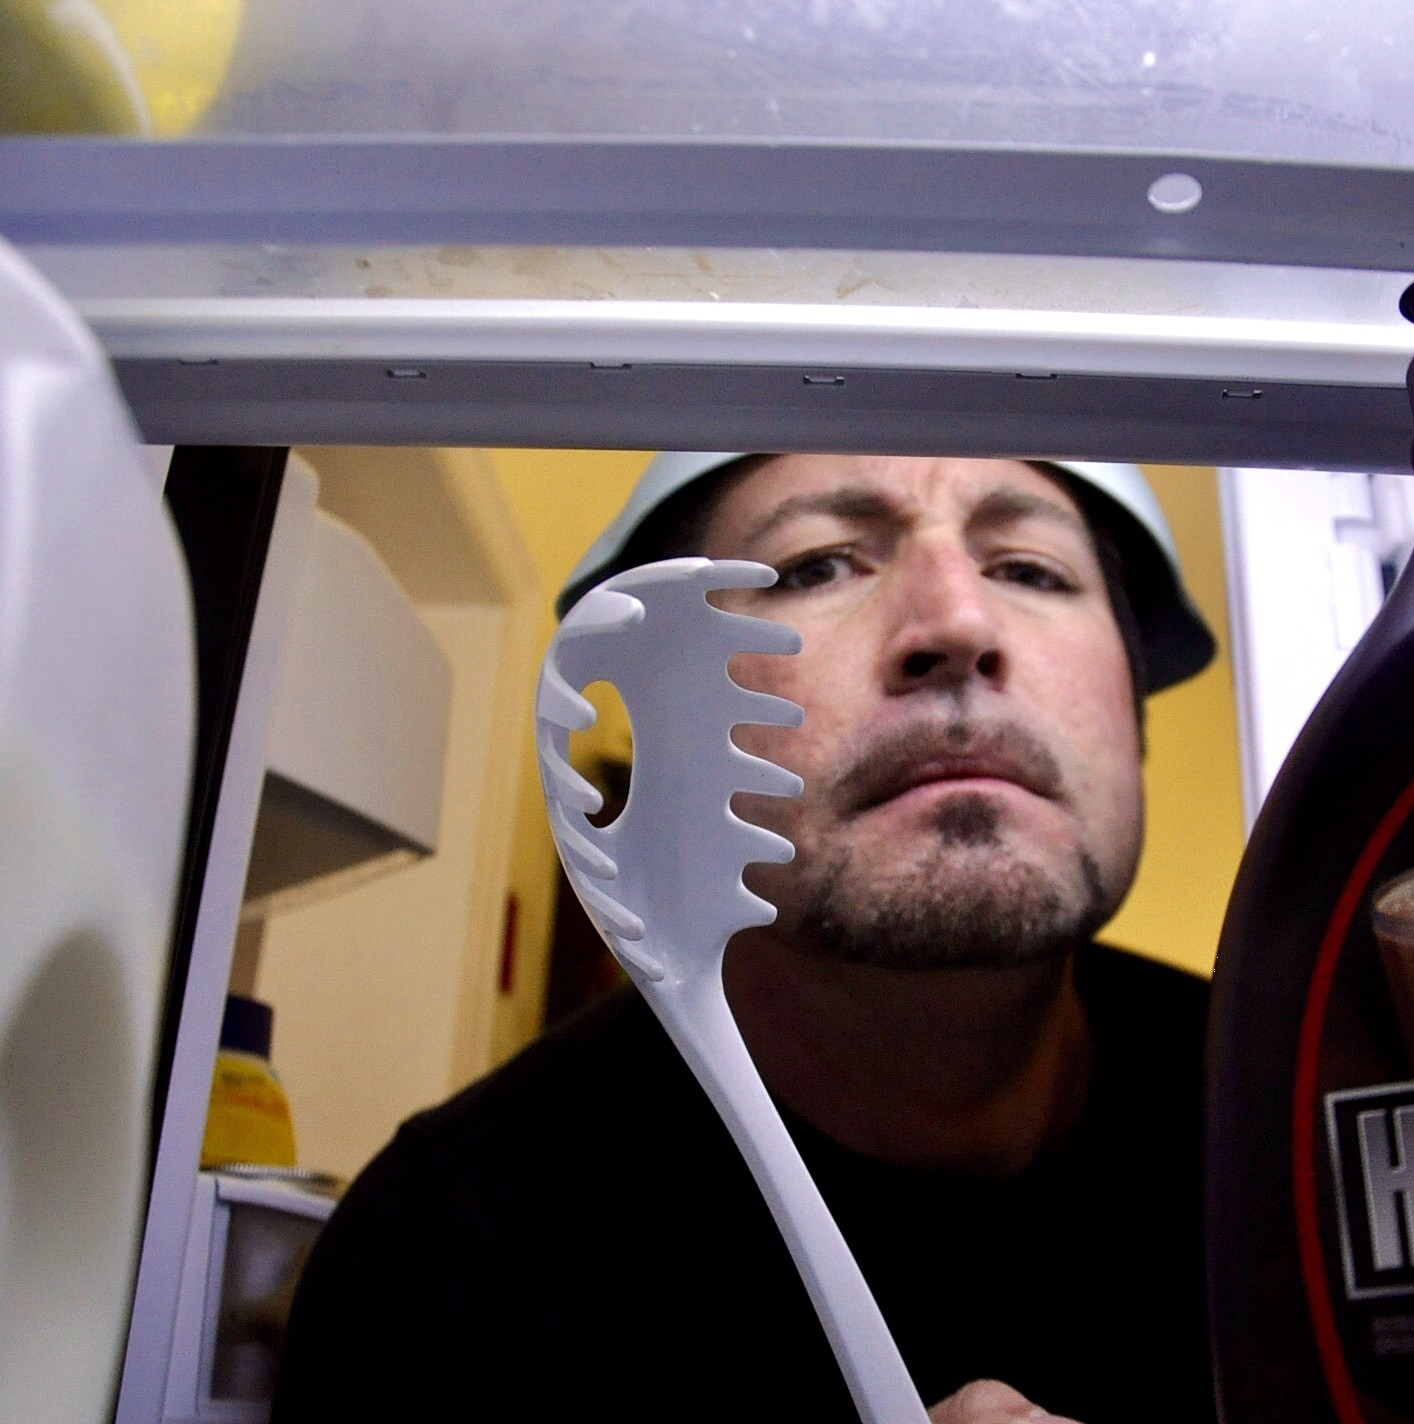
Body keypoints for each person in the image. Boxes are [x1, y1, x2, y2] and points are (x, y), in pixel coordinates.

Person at [272, 453, 1219, 1423]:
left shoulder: (1291, 1115)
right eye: (817, 565)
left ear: (1135, 704)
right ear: (666, 720)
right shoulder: (442, 1261)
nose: (958, 624)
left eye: (1029, 569)